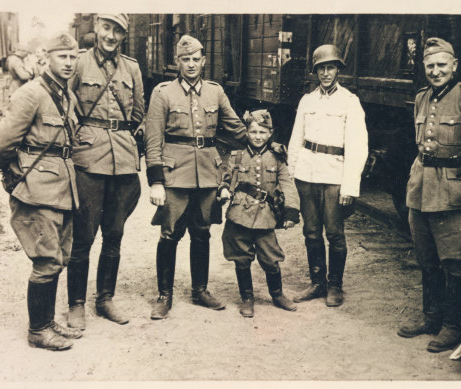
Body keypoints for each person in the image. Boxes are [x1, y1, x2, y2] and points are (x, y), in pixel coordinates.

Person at [397, 38, 461, 353]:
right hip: (421, 189)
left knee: (455, 261)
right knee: (427, 259)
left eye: (442, 65)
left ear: (454, 65)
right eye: (430, 66)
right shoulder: (421, 98)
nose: (436, 71)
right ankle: (432, 317)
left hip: (456, 193)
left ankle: (453, 325)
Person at [144, 35, 247, 320]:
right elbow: (153, 140)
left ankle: (200, 290)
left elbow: (236, 129)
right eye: (185, 59)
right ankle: (164, 296)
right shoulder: (163, 92)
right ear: (178, 62)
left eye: (195, 59)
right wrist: (156, 181)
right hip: (175, 173)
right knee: (170, 233)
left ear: (204, 61)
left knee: (201, 233)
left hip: (208, 174)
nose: (191, 64)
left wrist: (264, 144)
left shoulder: (215, 92)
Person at [0, 32, 82, 350]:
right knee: (46, 260)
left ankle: (46, 322)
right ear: (48, 57)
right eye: (63, 56)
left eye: (73, 57)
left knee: (57, 258)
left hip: (62, 188)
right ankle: (37, 330)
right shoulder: (31, 93)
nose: (69, 63)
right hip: (36, 190)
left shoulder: (65, 94)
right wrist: (14, 179)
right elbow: (2, 144)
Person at [66, 13, 145, 330]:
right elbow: (65, 106)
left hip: (123, 163)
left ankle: (105, 299)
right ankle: (76, 304)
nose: (111, 36)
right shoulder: (80, 63)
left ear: (124, 35)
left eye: (118, 31)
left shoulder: (132, 67)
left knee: (115, 233)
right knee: (83, 237)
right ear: (97, 28)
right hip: (88, 159)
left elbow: (138, 111)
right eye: (107, 28)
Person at [288, 44, 369, 307]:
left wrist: (349, 187)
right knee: (311, 232)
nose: (326, 73)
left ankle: (335, 285)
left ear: (338, 70)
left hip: (334, 176)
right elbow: (296, 140)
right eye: (321, 68)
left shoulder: (350, 102)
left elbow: (358, 147)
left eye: (330, 67)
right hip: (307, 175)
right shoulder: (307, 101)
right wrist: (292, 176)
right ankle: (317, 283)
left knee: (334, 232)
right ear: (315, 71)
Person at [218, 110, 300, 318]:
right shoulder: (237, 156)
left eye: (262, 132)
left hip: (265, 216)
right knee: (241, 257)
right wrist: (224, 189)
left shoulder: (277, 157)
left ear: (270, 133)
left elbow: (287, 184)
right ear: (246, 132)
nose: (257, 136)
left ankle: (278, 294)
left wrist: (291, 211)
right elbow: (226, 178)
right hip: (239, 215)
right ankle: (247, 298)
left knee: (271, 257)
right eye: (253, 131)